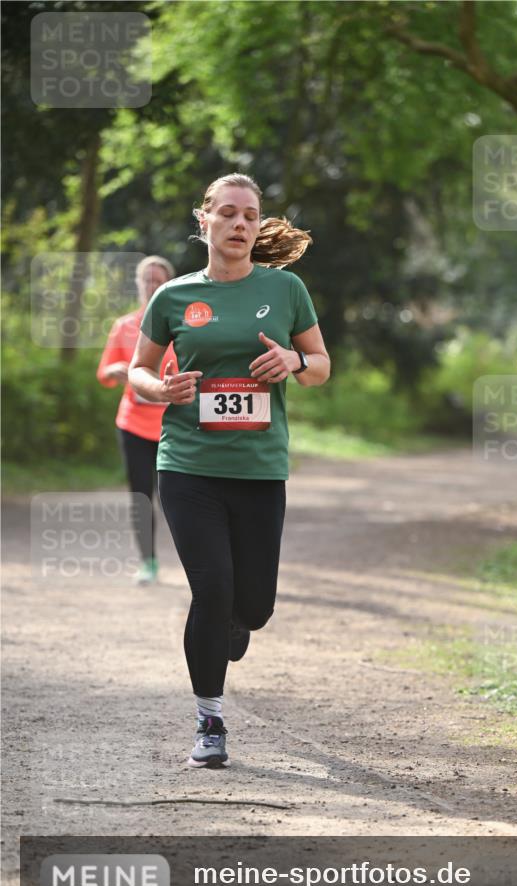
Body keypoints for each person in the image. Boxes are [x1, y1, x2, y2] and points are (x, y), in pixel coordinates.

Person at [128, 173, 330, 768]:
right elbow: (137, 372)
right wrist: (162, 388)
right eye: (228, 214)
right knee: (211, 588)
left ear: (257, 225)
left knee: (255, 606)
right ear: (205, 221)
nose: (239, 224)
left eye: (250, 215)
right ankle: (210, 720)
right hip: (189, 466)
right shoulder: (173, 298)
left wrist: (293, 359)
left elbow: (320, 366)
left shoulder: (287, 289)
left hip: (260, 469)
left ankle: (235, 624)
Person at [97, 256, 178, 584]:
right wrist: (115, 371)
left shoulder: (182, 323)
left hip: (174, 424)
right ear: (139, 284)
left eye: (158, 279)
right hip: (132, 423)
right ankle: (148, 562)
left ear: (169, 284)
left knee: (178, 498)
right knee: (141, 497)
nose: (152, 285)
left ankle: (196, 563)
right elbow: (104, 371)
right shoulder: (125, 325)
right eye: (147, 280)